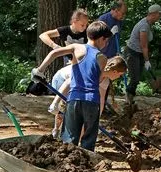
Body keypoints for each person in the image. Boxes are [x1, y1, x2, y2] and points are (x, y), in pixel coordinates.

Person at [33, 21, 112, 151]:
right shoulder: (102, 58)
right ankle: (85, 164)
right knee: (88, 138)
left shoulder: (77, 47)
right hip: (92, 102)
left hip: (74, 99)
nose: (106, 44)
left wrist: (39, 71)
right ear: (101, 38)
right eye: (106, 41)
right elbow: (97, 81)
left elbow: (54, 53)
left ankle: (65, 163)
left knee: (69, 136)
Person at [124, 4, 161, 106]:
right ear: (154, 14)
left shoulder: (148, 24)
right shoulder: (144, 26)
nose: (159, 17)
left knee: (137, 76)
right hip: (132, 53)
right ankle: (128, 99)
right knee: (135, 77)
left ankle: (130, 98)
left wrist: (145, 59)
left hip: (138, 53)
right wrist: (147, 60)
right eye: (159, 14)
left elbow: (144, 46)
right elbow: (144, 45)